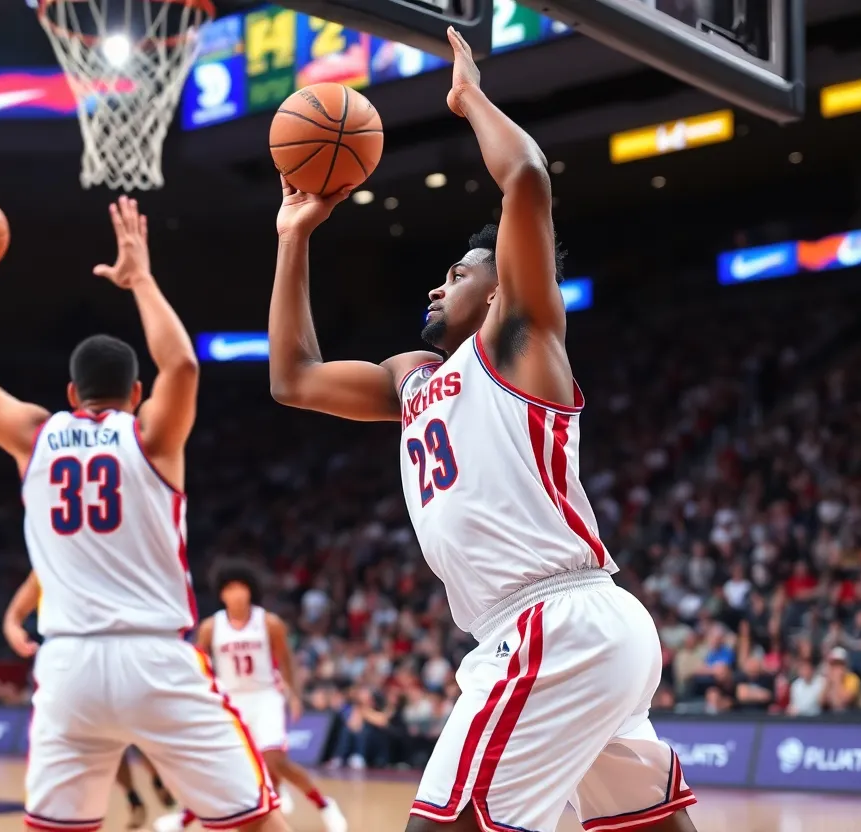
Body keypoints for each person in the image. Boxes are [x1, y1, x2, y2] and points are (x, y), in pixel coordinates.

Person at [267, 27, 696, 832]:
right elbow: (292, 380)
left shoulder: (522, 343)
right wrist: (294, 241)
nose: (438, 286)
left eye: (460, 274)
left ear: (502, 293)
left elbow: (526, 178)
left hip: (553, 623)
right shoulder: (412, 377)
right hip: (555, 632)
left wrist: (469, 100)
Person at [0, 196, 286, 832]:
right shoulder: (152, 438)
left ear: (71, 394)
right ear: (137, 393)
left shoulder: (36, 434)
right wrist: (140, 278)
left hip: (69, 665)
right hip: (156, 660)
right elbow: (183, 362)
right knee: (254, 822)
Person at [155, 560, 346, 832]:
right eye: (230, 588)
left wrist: (293, 695)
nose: (236, 594)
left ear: (250, 591)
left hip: (265, 696)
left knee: (273, 760)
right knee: (219, 767)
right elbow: (199, 667)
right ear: (222, 593)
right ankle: (184, 819)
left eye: (241, 587)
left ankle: (324, 805)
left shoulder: (269, 623)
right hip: (231, 701)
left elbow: (286, 660)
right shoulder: (211, 627)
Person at [4, 571, 179, 829]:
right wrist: (12, 626)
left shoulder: (106, 557)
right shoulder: (49, 561)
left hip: (122, 656)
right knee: (105, 742)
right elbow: (16, 611)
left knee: (137, 735)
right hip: (71, 666)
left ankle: (157, 778)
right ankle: (132, 796)